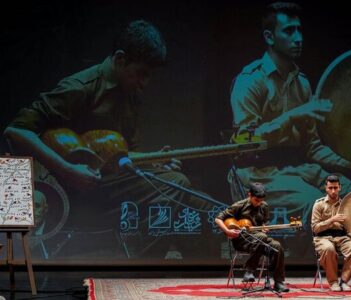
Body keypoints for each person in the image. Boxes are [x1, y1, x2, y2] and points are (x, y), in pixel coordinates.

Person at [3, 19, 210, 258]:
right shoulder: (80, 87)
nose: (145, 83)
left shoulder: (130, 94)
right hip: (68, 194)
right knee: (177, 184)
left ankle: (167, 273)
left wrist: (153, 163)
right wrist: (68, 169)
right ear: (120, 59)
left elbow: (124, 157)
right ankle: (144, 271)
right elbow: (15, 131)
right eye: (141, 74)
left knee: (199, 202)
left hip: (106, 185)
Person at [229, 2, 351, 229]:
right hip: (259, 176)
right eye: (289, 31)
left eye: (299, 30)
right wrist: (293, 116)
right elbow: (244, 143)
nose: (298, 38)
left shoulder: (302, 83)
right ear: (269, 37)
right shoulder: (250, 81)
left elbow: (312, 146)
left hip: (301, 171)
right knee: (318, 206)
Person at [215, 182, 289, 293]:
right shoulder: (240, 205)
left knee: (277, 246)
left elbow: (264, 222)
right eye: (256, 200)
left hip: (259, 239)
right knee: (261, 237)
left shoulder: (264, 206)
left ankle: (278, 282)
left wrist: (264, 227)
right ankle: (249, 270)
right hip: (242, 240)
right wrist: (227, 231)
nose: (259, 203)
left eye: (261, 201)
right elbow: (218, 218)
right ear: (249, 195)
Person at [311, 174, 351, 292]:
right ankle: (333, 282)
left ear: (340, 188)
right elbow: (315, 228)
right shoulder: (319, 204)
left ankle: (343, 281)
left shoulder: (346, 205)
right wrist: (332, 220)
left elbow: (348, 230)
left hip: (341, 237)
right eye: (330, 188)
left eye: (335, 188)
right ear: (326, 188)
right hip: (323, 238)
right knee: (328, 249)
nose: (333, 191)